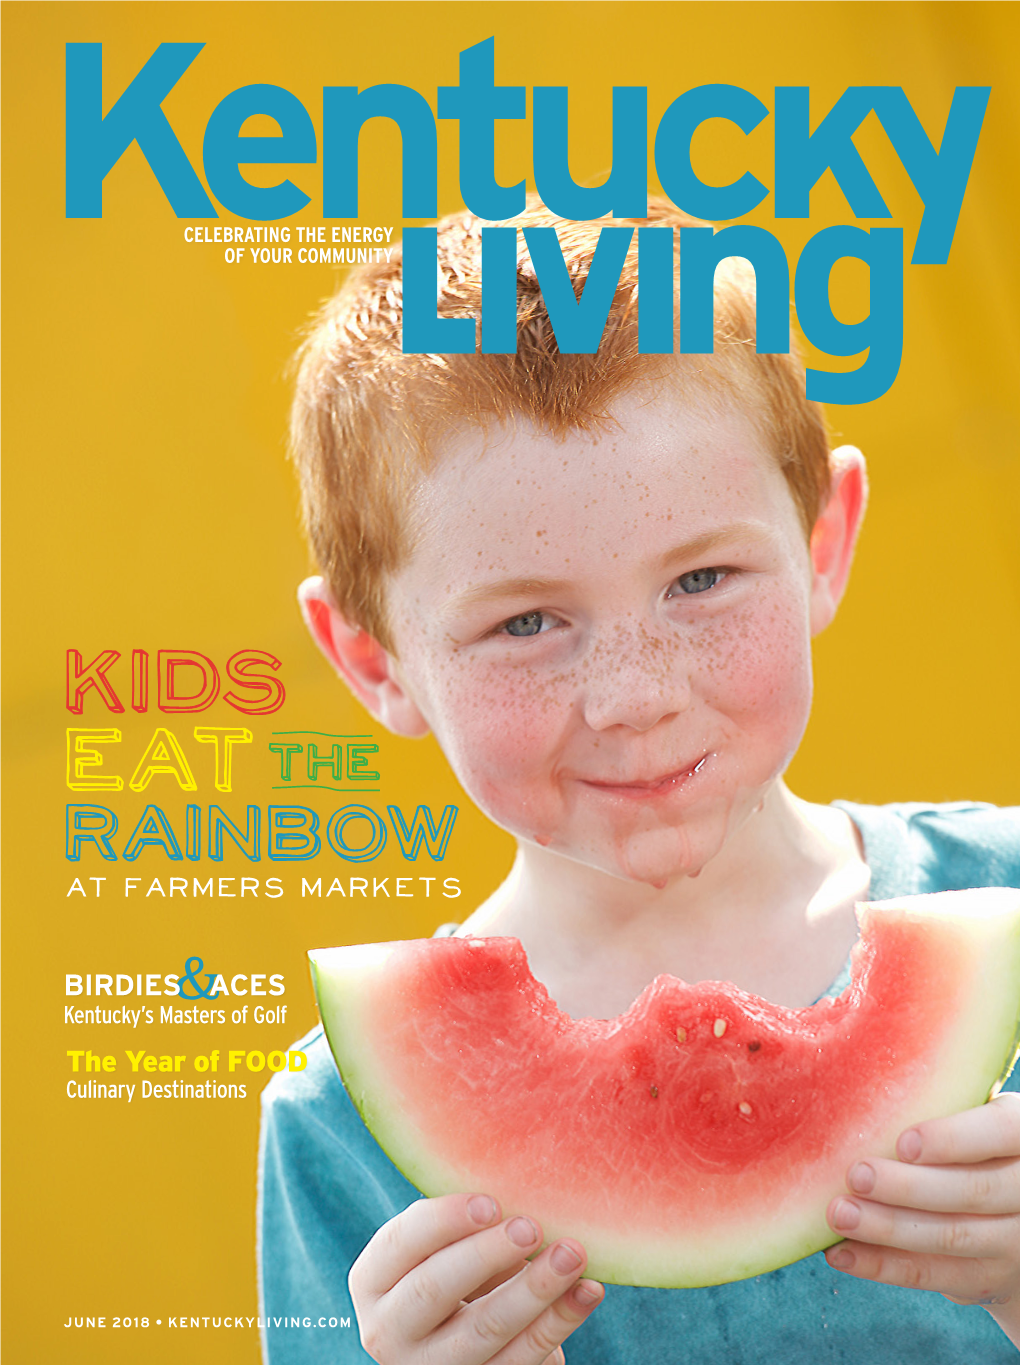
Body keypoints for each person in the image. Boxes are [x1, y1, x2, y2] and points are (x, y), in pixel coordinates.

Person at [259, 199, 1020, 1363]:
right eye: (525, 622)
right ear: (375, 661)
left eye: (702, 579)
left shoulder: (1003, 911)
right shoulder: (337, 1131)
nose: (634, 695)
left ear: (823, 545)